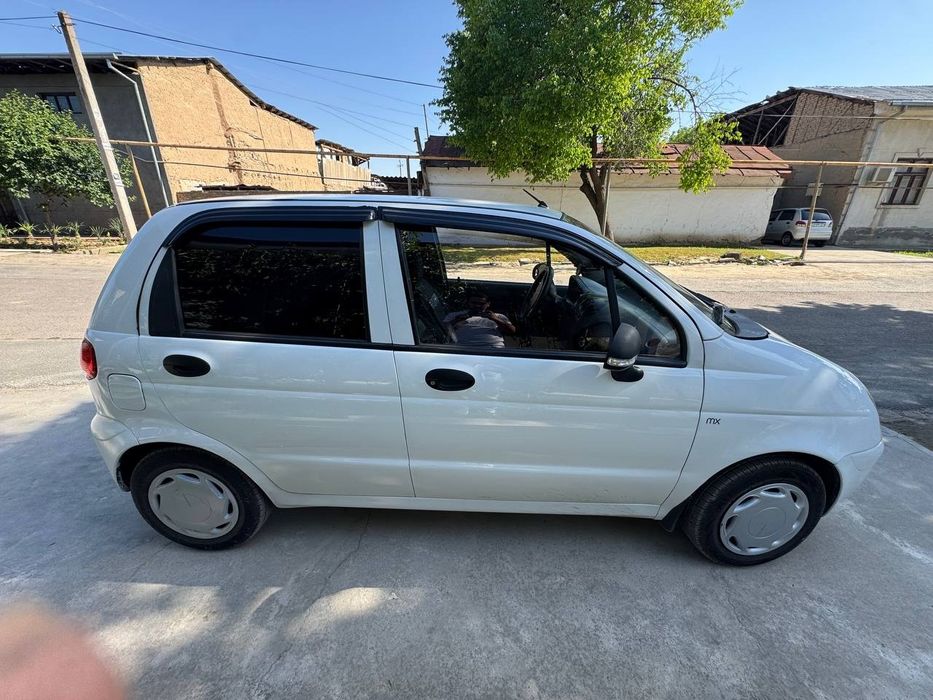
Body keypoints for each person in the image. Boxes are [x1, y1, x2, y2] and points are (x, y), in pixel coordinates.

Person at [443, 291, 515, 349]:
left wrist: (495, 319)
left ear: (488, 304)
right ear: (468, 302)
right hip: (462, 349)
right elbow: (441, 331)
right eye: (474, 303)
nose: (477, 306)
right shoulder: (454, 315)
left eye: (481, 303)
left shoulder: (498, 316)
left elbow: (512, 331)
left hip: (493, 348)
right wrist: (457, 320)